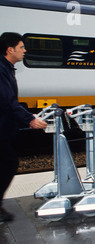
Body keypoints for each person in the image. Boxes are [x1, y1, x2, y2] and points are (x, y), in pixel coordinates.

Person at [0, 32, 47, 222]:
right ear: (10, 50)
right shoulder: (2, 69)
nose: (24, 50)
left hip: (4, 127)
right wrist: (29, 119)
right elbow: (6, 100)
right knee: (9, 163)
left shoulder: (6, 68)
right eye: (21, 47)